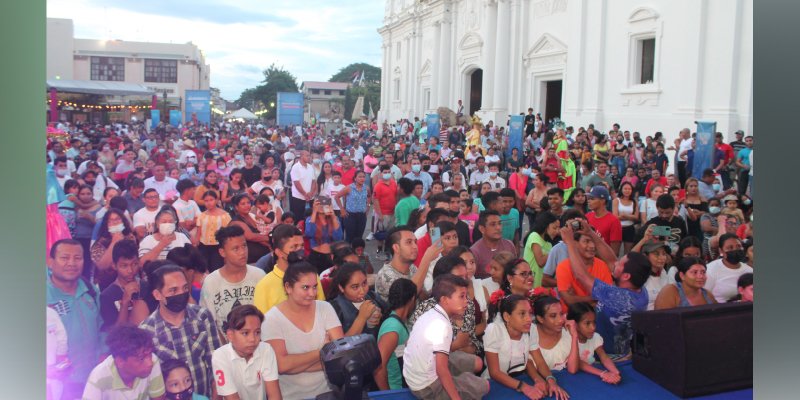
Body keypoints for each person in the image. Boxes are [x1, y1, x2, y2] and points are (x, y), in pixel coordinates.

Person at [561, 222, 651, 358]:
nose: (616, 262)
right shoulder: (639, 288)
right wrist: (590, 232)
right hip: (620, 350)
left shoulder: (620, 298)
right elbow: (611, 259)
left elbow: (581, 275)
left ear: (626, 276)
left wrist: (570, 243)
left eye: (621, 263)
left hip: (607, 356)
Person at [261, 261, 344, 399]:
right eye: (305, 287)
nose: (312, 293)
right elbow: (281, 365)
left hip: (329, 394)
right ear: (288, 287)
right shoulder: (271, 319)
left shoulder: (325, 308)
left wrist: (294, 366)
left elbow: (340, 356)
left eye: (315, 287)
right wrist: (323, 351)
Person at [403, 274, 490, 400]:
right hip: (427, 387)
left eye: (466, 296)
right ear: (445, 300)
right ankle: (458, 383)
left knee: (477, 363)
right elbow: (441, 369)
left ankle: (461, 380)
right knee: (485, 386)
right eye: (461, 296)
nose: (467, 300)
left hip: (418, 375)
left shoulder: (431, 313)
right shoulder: (442, 325)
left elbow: (409, 344)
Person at [140, 264, 221, 398]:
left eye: (184, 288)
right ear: (157, 294)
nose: (181, 294)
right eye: (173, 290)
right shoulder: (146, 331)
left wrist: (216, 395)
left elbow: (216, 362)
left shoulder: (202, 316)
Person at [46, 239, 103, 400]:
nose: (72, 263)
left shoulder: (90, 290)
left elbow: (102, 327)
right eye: (64, 258)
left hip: (93, 380)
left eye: (77, 258)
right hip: (59, 386)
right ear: (51, 262)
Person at [483, 294, 555, 399]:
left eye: (530, 313)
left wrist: (550, 380)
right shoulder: (494, 331)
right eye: (522, 314)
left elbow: (539, 361)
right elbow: (495, 373)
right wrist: (525, 388)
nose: (529, 319)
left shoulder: (532, 330)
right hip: (494, 384)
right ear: (507, 316)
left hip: (522, 379)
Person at [200, 225, 266, 337]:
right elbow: (211, 324)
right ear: (222, 252)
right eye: (236, 249)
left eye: (244, 246)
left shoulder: (259, 276)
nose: (242, 252)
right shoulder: (211, 282)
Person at [212, 305, 282, 400]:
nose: (253, 339)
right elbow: (232, 398)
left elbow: (274, 395)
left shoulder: (266, 350)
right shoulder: (220, 356)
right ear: (230, 335)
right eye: (245, 333)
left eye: (257, 332)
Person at [253, 224, 325, 314]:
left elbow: (321, 310)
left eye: (302, 246)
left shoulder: (312, 276)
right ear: (279, 252)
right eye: (294, 247)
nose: (300, 251)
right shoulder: (265, 286)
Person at [82, 325, 166, 400]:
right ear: (120, 362)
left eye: (149, 354)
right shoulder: (98, 376)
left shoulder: (153, 361)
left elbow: (158, 398)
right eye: (141, 359)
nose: (149, 363)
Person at [374, 278, 417, 390]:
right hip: (396, 390)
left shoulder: (400, 322)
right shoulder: (393, 328)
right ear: (412, 299)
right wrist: (388, 396)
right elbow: (379, 367)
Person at [99, 239, 149, 332]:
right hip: (126, 344)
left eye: (134, 264)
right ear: (114, 266)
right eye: (124, 266)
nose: (130, 270)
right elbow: (115, 334)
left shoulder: (148, 287)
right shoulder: (107, 296)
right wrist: (125, 302)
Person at [565, 303, 621, 384]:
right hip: (572, 380)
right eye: (587, 323)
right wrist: (603, 373)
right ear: (575, 324)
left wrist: (615, 373)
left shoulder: (595, 337)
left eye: (594, 322)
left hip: (589, 377)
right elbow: (578, 363)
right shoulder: (567, 338)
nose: (593, 327)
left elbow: (604, 357)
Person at [329, 262, 386, 338]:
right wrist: (361, 318)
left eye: (364, 283)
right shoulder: (335, 309)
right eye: (355, 287)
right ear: (341, 288)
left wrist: (381, 317)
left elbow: (389, 317)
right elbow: (339, 345)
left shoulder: (373, 297)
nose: (362, 291)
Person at [91, 207, 137, 288]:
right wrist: (114, 242)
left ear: (123, 221)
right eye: (111, 221)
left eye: (117, 219)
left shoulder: (130, 237)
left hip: (129, 278)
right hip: (107, 282)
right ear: (107, 224)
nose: (115, 223)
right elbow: (102, 266)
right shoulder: (100, 242)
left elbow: (134, 259)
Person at [704, 233, 753, 303]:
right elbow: (705, 294)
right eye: (730, 247)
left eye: (738, 246)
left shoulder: (750, 271)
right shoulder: (711, 269)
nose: (735, 250)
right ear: (721, 251)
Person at [470, 210, 518, 276]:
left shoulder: (509, 245)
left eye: (500, 223)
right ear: (482, 229)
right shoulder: (474, 252)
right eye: (493, 224)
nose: (498, 228)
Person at [193, 190, 231, 271]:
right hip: (203, 247)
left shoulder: (224, 216)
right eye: (206, 201)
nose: (209, 203)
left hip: (218, 247)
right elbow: (198, 233)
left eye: (211, 200)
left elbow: (228, 234)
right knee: (203, 269)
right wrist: (195, 246)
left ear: (216, 200)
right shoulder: (202, 216)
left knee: (216, 269)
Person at [228, 194, 271, 263]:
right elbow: (250, 236)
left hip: (262, 256)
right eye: (243, 204)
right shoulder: (236, 221)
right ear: (236, 207)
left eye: (248, 203)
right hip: (250, 259)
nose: (247, 205)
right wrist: (270, 238)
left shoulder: (251, 216)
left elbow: (259, 234)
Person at [304, 197, 344, 273]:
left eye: (325, 204)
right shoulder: (310, 219)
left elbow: (338, 238)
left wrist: (333, 215)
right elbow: (309, 234)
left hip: (331, 256)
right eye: (319, 204)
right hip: (316, 257)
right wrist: (314, 211)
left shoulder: (334, 219)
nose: (322, 206)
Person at [523, 211, 560, 289]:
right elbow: (540, 261)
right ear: (545, 226)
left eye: (558, 228)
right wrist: (555, 250)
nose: (557, 231)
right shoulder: (534, 236)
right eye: (554, 228)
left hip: (543, 287)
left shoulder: (549, 244)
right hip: (532, 285)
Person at [585, 185, 623, 255]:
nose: (589, 201)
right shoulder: (587, 216)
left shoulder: (614, 221)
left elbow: (614, 252)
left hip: (603, 262)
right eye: (588, 198)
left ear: (603, 200)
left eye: (592, 198)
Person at [336, 170, 370, 241]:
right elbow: (337, 197)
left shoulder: (366, 188)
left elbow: (369, 196)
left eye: (363, 177)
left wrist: (367, 207)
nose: (362, 179)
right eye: (360, 177)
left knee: (359, 236)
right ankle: (348, 251)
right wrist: (342, 209)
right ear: (355, 178)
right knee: (349, 237)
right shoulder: (349, 188)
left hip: (362, 215)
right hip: (350, 216)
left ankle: (357, 251)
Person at [289, 150, 318, 218]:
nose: (309, 157)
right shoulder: (295, 167)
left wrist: (311, 193)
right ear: (301, 156)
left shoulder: (310, 167)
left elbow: (313, 181)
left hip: (310, 197)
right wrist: (305, 194)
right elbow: (296, 183)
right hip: (298, 198)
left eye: (309, 156)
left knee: (310, 218)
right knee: (298, 218)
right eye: (307, 156)